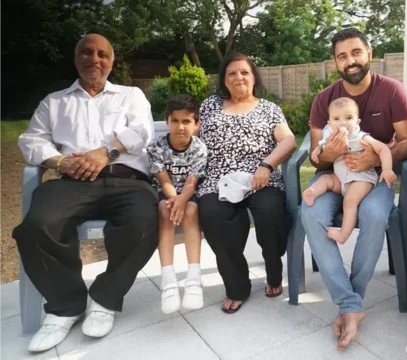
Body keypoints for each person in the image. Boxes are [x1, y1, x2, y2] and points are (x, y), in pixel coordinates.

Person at [12, 34, 158, 352]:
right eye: (87, 52)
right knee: (36, 227)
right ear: (76, 57)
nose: (95, 58)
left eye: (102, 54)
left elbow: (142, 131)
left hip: (126, 179)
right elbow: (31, 140)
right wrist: (61, 161)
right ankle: (67, 305)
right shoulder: (54, 102)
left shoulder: (131, 96)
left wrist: (106, 153)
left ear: (112, 61)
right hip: (71, 181)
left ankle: (105, 298)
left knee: (146, 221)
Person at [301, 28, 407, 351]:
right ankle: (350, 305)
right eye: (342, 56)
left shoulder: (391, 91)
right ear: (335, 62)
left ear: (369, 53)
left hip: (373, 177)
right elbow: (317, 157)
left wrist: (379, 157)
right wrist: (331, 152)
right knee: (309, 213)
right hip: (335, 175)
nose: (350, 61)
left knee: (375, 214)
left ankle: (350, 304)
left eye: (356, 53)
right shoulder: (324, 100)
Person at [197, 52, 297, 313]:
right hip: (218, 179)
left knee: (271, 211)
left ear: (254, 78)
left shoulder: (269, 109)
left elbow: (288, 140)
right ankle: (236, 285)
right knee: (212, 214)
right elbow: (192, 140)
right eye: (231, 73)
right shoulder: (209, 106)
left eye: (244, 72)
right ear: (224, 80)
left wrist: (266, 165)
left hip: (260, 177)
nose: (238, 77)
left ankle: (274, 269)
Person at [304, 97, 397, 244]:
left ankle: (343, 235)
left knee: (349, 202)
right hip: (341, 179)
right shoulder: (330, 136)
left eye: (348, 118)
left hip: (361, 179)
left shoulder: (362, 137)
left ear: (357, 122)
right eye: (336, 118)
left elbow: (383, 149)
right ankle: (312, 193)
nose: (343, 122)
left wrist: (386, 169)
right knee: (326, 180)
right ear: (329, 123)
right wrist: (317, 151)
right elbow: (322, 146)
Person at [146, 94, 208, 314]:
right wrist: (175, 201)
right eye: (175, 121)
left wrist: (182, 201)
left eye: (187, 121)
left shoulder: (199, 148)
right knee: (165, 209)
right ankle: (168, 279)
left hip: (188, 194)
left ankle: (193, 278)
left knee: (191, 209)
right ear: (167, 122)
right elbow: (163, 180)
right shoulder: (156, 147)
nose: (180, 127)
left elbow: (192, 182)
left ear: (196, 124)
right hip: (166, 193)